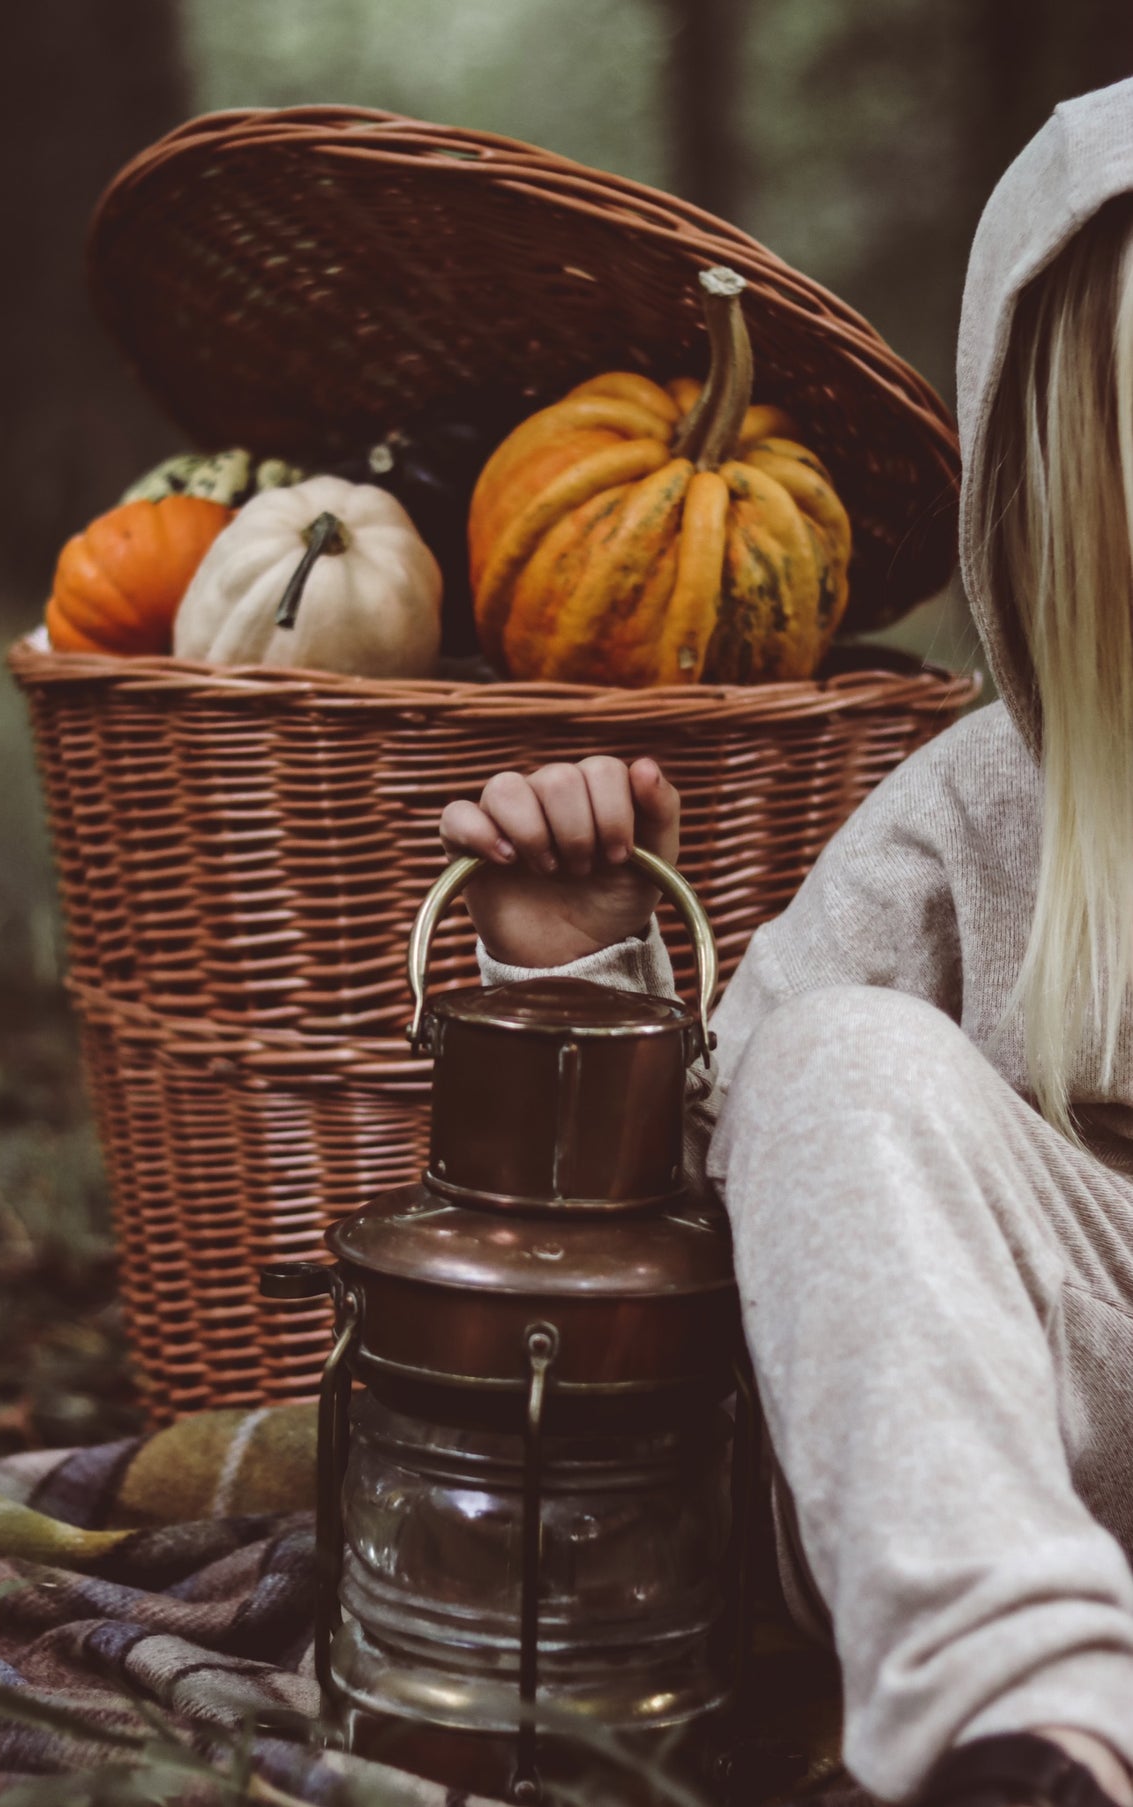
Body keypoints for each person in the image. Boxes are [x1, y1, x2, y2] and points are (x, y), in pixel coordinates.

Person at [438, 79, 1133, 1807]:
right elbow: (733, 1169)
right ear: (1081, 474)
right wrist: (588, 967)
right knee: (843, 1061)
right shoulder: (987, 801)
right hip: (1046, 1433)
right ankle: (1019, 1728)